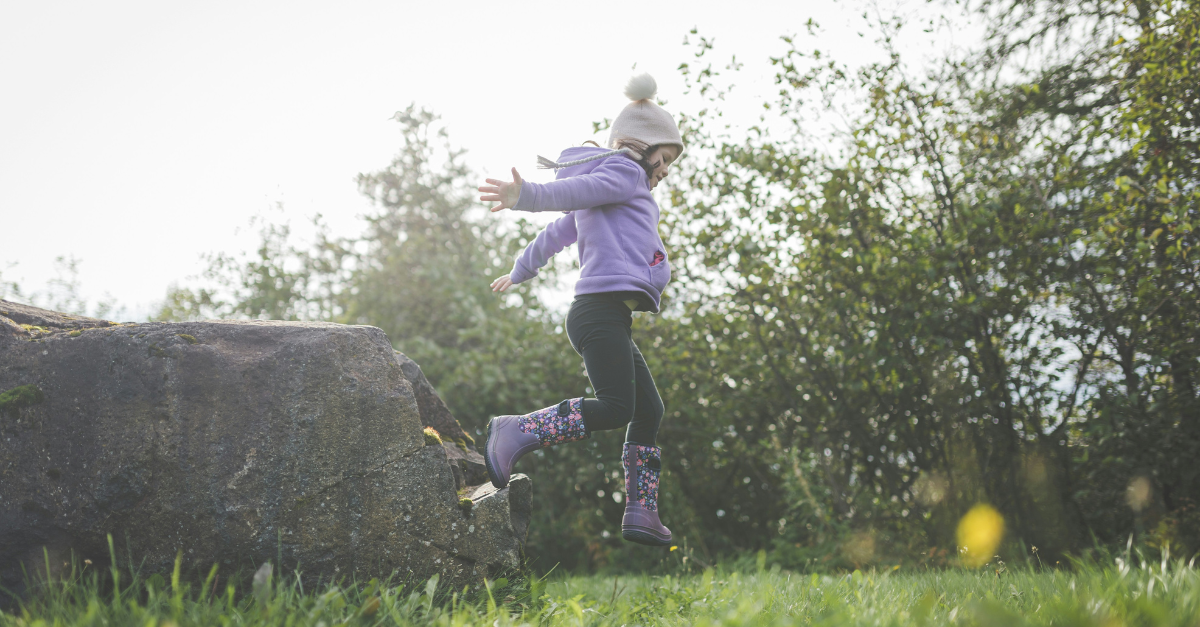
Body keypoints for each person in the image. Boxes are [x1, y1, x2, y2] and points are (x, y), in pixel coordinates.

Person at [477, 73, 682, 547]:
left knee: (648, 408)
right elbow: (567, 197)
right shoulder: (624, 174)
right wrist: (524, 196)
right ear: (644, 145)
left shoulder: (618, 194)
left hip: (609, 317)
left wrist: (521, 269)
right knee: (617, 407)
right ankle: (516, 431)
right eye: (665, 158)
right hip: (597, 313)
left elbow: (559, 232)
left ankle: (641, 510)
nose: (666, 169)